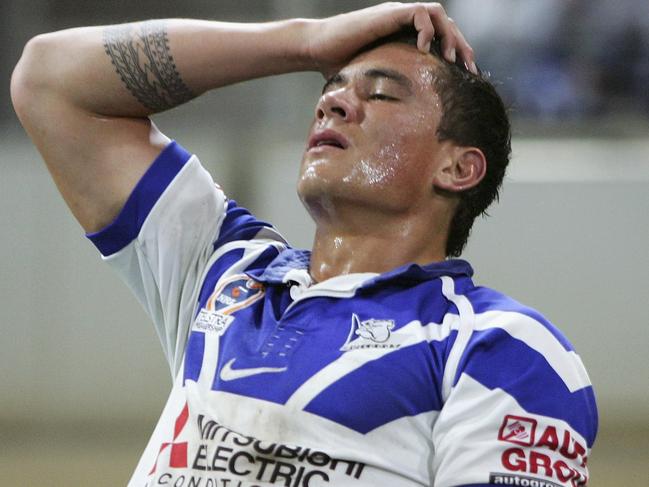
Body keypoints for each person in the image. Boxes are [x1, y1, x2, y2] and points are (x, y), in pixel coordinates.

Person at [11, 3, 597, 486]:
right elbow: (50, 78)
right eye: (332, 87)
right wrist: (304, 42)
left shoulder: (501, 348)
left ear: (459, 168)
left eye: (383, 95)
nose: (333, 102)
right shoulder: (223, 267)